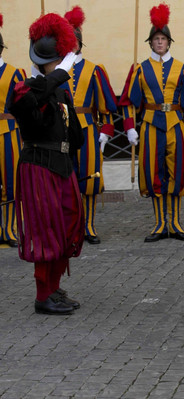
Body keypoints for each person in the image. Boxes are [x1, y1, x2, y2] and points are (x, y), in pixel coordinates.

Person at [10, 13, 84, 315]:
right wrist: (62, 72)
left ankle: (53, 287)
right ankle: (43, 295)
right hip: (39, 166)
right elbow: (26, 103)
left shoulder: (58, 90)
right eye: (59, 62)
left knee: (66, 226)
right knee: (45, 231)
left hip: (61, 164)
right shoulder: (26, 88)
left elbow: (74, 133)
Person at [120, 3, 184, 242]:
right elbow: (128, 101)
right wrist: (129, 128)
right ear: (151, 42)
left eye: (163, 39)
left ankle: (176, 223)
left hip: (176, 125)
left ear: (169, 42)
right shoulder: (139, 69)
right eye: (156, 39)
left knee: (177, 172)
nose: (159, 42)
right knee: (154, 172)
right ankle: (160, 223)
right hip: (149, 125)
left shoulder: (183, 69)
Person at [64, 6, 118, 245]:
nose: (73, 43)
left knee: (89, 179)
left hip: (87, 129)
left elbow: (105, 104)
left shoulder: (94, 70)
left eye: (75, 40)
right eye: (68, 40)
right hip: (62, 131)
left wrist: (105, 132)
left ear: (80, 43)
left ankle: (88, 226)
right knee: (66, 180)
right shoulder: (55, 70)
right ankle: (70, 227)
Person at [0, 13, 26, 248]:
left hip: (8, 130)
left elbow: (24, 105)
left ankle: (10, 228)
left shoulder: (15, 73)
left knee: (11, 181)